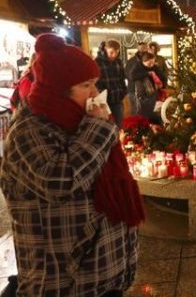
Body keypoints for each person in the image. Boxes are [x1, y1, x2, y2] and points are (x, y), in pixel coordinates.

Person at [0, 33, 145, 296]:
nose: (95, 93)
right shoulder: (30, 130)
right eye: (86, 85)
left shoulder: (80, 122)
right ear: (58, 89)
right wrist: (99, 128)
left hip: (102, 278)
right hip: (65, 283)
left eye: (95, 83)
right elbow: (60, 181)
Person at [96, 39, 128, 127]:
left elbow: (122, 78)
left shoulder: (118, 62)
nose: (114, 55)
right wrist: (101, 94)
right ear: (105, 49)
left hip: (117, 98)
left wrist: (123, 91)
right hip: (103, 100)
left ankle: (120, 140)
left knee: (120, 124)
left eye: (116, 52)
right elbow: (95, 82)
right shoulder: (97, 62)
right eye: (111, 52)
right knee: (105, 125)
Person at [129, 52, 166, 124]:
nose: (151, 65)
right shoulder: (138, 67)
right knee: (144, 114)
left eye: (153, 63)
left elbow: (163, 77)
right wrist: (147, 74)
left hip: (155, 94)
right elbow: (131, 77)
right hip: (142, 95)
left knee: (155, 112)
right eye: (149, 64)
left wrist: (163, 85)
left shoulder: (154, 67)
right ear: (143, 62)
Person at [125, 42, 148, 115]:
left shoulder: (149, 59)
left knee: (146, 113)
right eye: (142, 49)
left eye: (145, 48)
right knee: (135, 113)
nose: (144, 50)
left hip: (147, 91)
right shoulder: (131, 61)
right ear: (138, 49)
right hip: (133, 90)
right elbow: (129, 76)